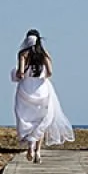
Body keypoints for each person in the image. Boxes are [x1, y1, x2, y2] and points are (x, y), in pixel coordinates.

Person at [11, 29, 74, 162]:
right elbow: (50, 72)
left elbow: (21, 74)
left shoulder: (23, 54)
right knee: (41, 121)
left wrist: (16, 73)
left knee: (28, 119)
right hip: (42, 91)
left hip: (26, 91)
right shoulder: (44, 54)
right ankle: (38, 151)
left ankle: (30, 146)